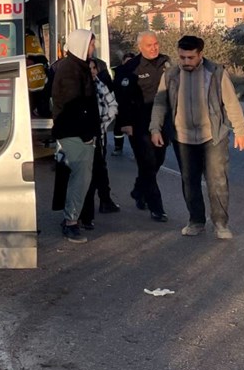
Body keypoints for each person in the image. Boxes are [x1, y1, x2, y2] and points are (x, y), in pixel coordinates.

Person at [149, 35, 244, 239]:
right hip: (183, 138)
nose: (185, 62)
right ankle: (196, 221)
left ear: (200, 55)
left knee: (217, 180)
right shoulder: (170, 75)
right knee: (189, 180)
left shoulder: (216, 72)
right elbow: (160, 103)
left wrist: (240, 130)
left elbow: (231, 103)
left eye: (190, 57)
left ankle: (221, 224)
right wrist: (155, 129)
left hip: (213, 136)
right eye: (182, 57)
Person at [114, 32, 171, 223]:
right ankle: (157, 207)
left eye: (156, 44)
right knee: (147, 163)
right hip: (139, 124)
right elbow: (121, 99)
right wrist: (125, 124)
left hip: (163, 122)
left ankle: (139, 190)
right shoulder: (130, 69)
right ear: (140, 47)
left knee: (157, 160)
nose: (154, 48)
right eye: (149, 45)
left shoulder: (167, 63)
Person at [51, 28, 98, 243]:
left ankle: (74, 218)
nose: (93, 48)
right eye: (91, 44)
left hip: (77, 133)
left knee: (81, 178)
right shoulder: (71, 69)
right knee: (80, 179)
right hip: (76, 135)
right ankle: (70, 223)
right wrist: (86, 134)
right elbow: (74, 106)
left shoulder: (77, 66)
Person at [79, 57, 120, 229]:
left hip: (98, 137)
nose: (93, 71)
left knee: (99, 170)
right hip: (81, 139)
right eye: (89, 68)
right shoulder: (79, 86)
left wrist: (101, 123)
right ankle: (82, 213)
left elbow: (113, 106)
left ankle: (102, 203)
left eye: (94, 68)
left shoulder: (101, 85)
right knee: (86, 175)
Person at [112, 52, 136, 155]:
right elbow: (114, 89)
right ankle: (118, 147)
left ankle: (136, 151)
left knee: (133, 130)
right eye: (126, 62)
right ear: (122, 62)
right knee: (118, 130)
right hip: (120, 105)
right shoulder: (118, 72)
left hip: (132, 107)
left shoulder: (137, 72)